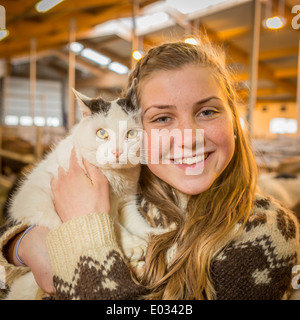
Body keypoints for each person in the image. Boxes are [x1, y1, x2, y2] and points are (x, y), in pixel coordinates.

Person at [0, 39, 299, 300]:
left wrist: (84, 229)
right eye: (162, 119)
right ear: (137, 128)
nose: (188, 136)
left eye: (207, 112)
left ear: (233, 122)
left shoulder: (267, 231)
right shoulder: (128, 192)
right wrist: (23, 242)